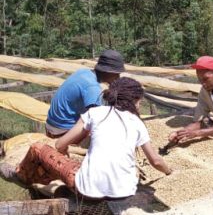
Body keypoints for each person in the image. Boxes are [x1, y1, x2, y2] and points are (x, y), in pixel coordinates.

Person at [13, 77, 171, 199]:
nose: (138, 107)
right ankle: (51, 184)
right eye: (139, 102)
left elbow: (60, 144)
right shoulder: (137, 123)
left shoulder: (95, 113)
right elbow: (156, 161)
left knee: (38, 148)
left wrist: (65, 151)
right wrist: (169, 172)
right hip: (125, 192)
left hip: (88, 192)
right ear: (134, 101)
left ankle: (20, 174)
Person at [45, 49, 125, 138]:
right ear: (108, 72)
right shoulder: (92, 88)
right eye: (117, 74)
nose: (118, 77)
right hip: (62, 130)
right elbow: (97, 120)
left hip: (51, 124)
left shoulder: (83, 72)